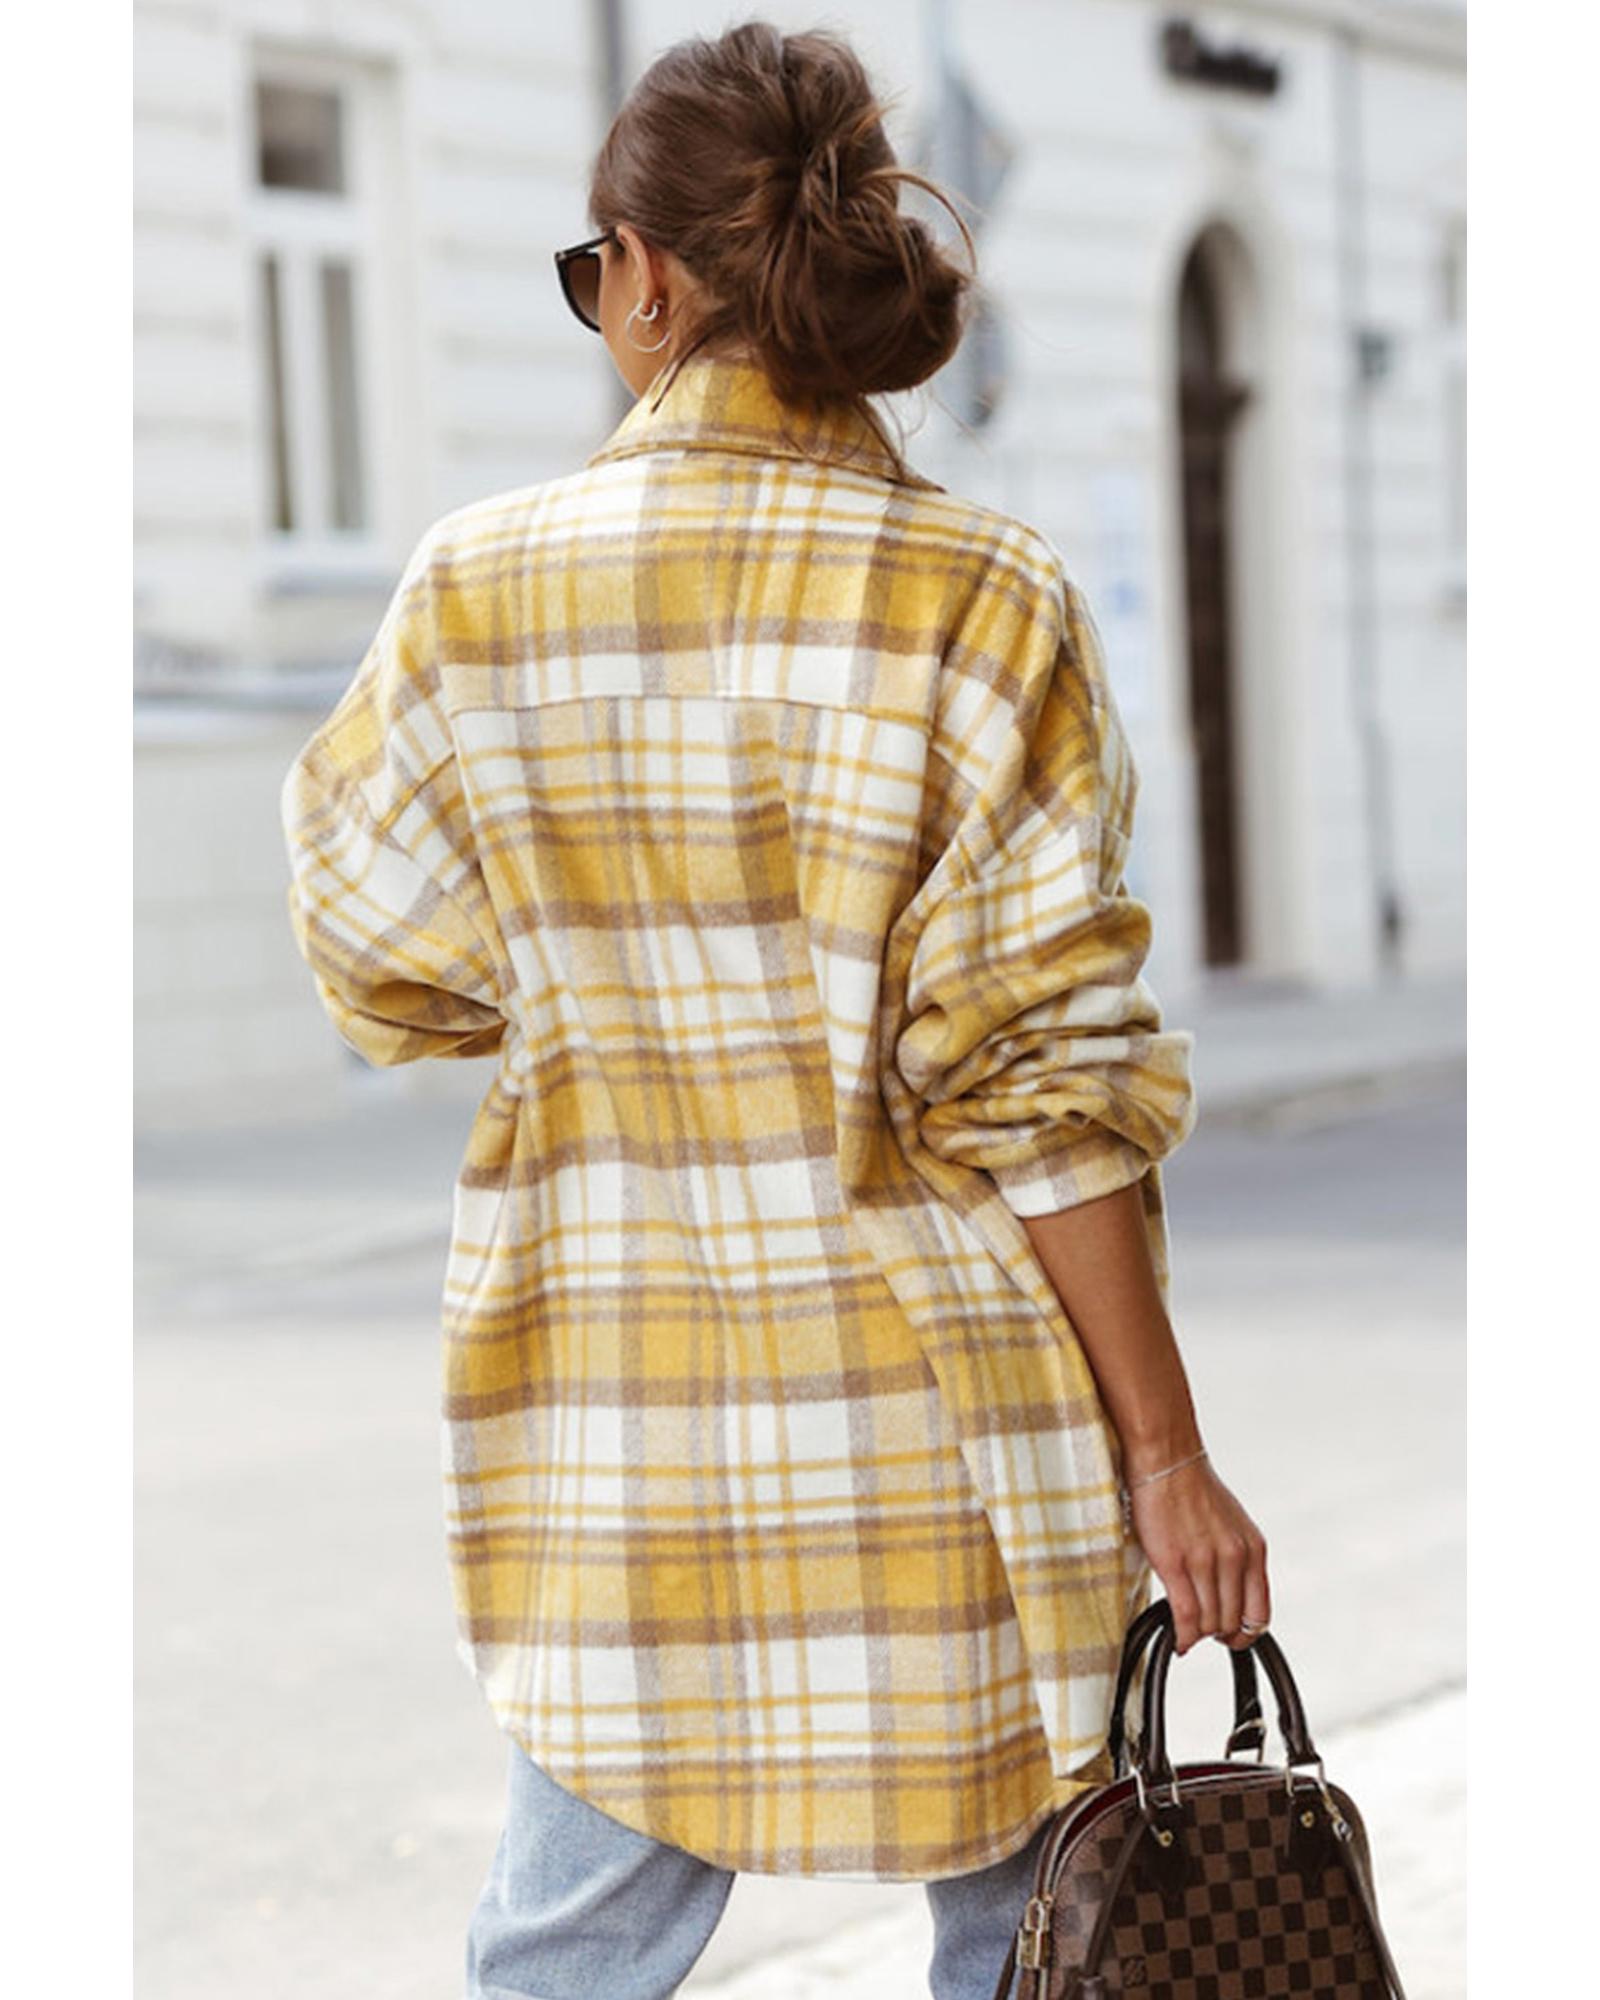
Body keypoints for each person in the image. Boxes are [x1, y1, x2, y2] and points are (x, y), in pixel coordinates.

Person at [279, 18, 1271, 2000]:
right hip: (949, 1420)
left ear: (647, 278)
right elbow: (1045, 1085)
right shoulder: (982, 594)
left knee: (567, 1947)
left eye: (592, 273)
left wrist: (590, 967)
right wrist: (1165, 1455)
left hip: (614, 1415)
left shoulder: (474, 594)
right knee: (1026, 1931)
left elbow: (379, 952)